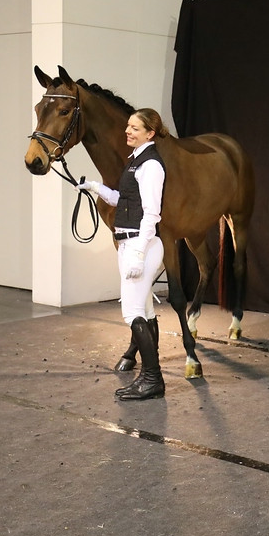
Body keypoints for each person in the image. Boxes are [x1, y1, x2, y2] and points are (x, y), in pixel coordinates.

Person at [77, 108, 168, 401]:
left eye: (134, 128)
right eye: (128, 126)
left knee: (132, 313)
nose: (127, 131)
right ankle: (149, 375)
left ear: (150, 133)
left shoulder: (151, 165)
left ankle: (152, 379)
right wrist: (95, 187)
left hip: (141, 245)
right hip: (130, 244)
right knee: (147, 311)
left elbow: (152, 213)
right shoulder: (136, 162)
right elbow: (124, 200)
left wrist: (139, 253)